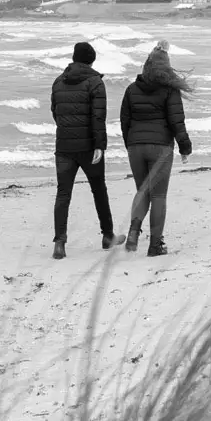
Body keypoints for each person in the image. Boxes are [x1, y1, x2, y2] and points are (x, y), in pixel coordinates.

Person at [118, 40, 193, 256]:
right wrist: (185, 148)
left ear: (146, 65)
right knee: (158, 196)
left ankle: (134, 230)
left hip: (135, 148)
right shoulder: (170, 90)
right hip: (160, 149)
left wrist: (131, 144)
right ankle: (155, 245)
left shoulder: (131, 89)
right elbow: (176, 121)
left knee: (142, 192)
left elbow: (125, 122)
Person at [49, 39, 114, 258]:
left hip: (64, 146)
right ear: (91, 60)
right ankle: (107, 235)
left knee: (63, 194)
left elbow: (55, 113)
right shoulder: (95, 82)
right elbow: (99, 117)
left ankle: (59, 243)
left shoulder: (58, 81)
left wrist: (67, 130)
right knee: (98, 189)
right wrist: (99, 145)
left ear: (74, 58)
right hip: (88, 147)